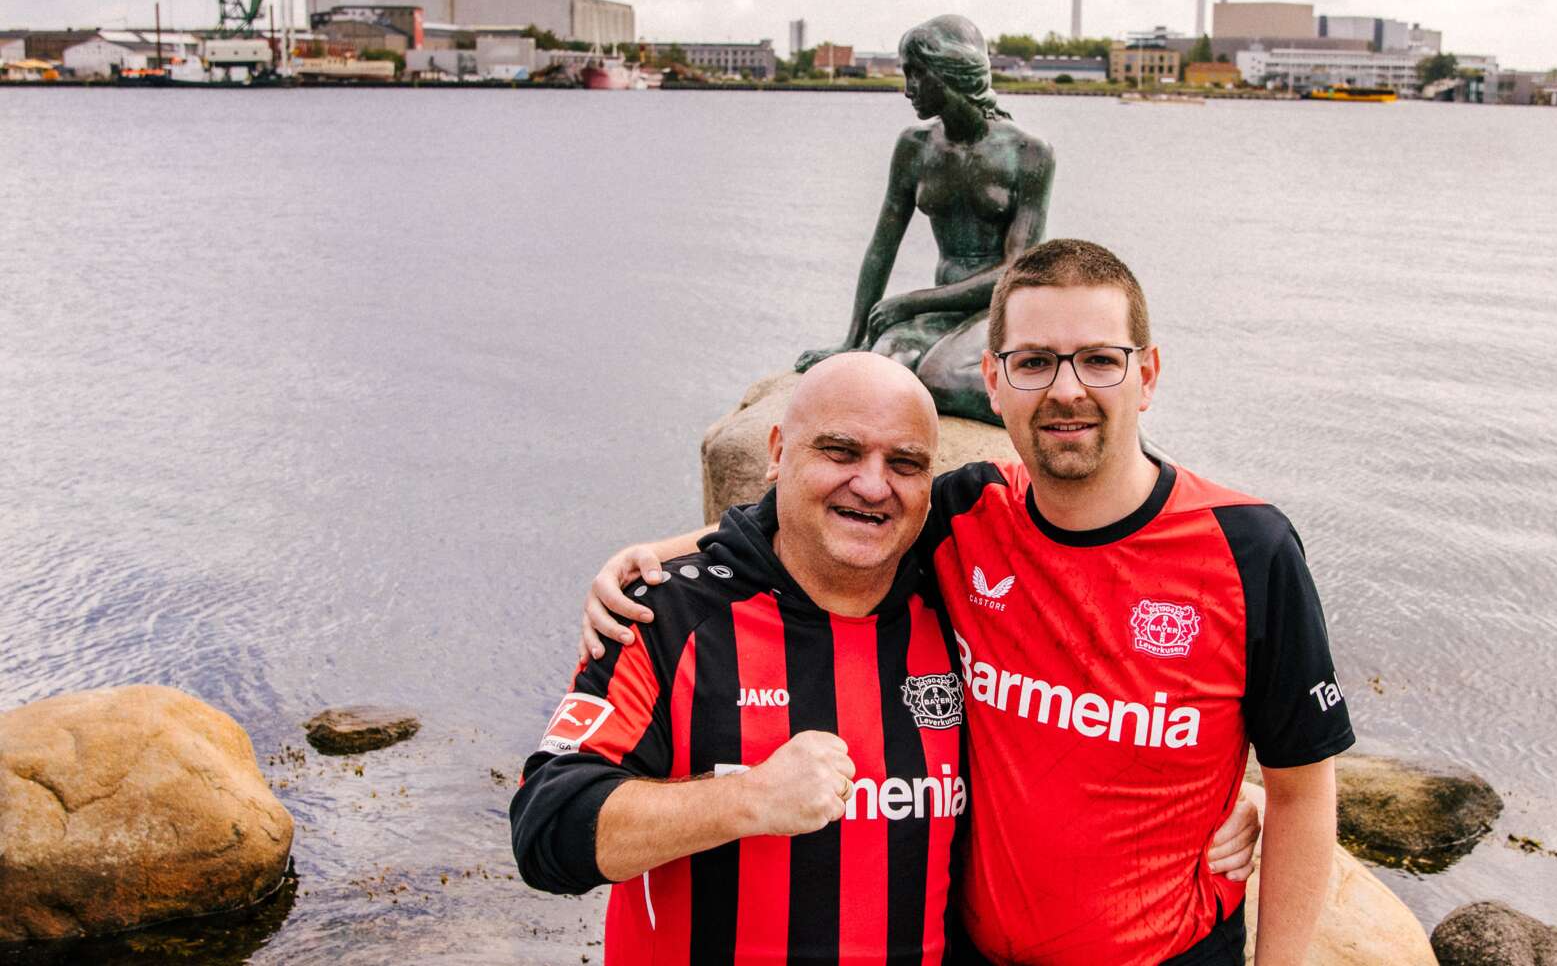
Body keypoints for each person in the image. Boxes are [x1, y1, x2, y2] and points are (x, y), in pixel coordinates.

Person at [584, 240, 1354, 965]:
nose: (1066, 389)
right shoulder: (966, 516)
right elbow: (833, 519)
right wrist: (668, 553)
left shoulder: (1249, 551)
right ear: (992, 380)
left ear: (1147, 375)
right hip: (973, 950)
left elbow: (1303, 788)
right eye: (1035, 362)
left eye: (1098, 360)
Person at [513, 351, 1259, 964]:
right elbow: (546, 831)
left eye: (904, 463)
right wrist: (743, 801)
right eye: (839, 451)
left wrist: (1223, 804)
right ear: (777, 452)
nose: (872, 484)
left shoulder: (961, 606)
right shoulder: (670, 617)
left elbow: (1092, 729)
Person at [793, 14, 1056, 425]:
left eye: (916, 73)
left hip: (1003, 311)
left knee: (941, 378)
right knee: (882, 369)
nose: (907, 88)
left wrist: (911, 302)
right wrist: (853, 339)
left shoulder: (1028, 152)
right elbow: (883, 244)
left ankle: (1059, 407)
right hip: (944, 311)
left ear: (951, 70)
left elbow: (1015, 273)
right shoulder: (914, 146)